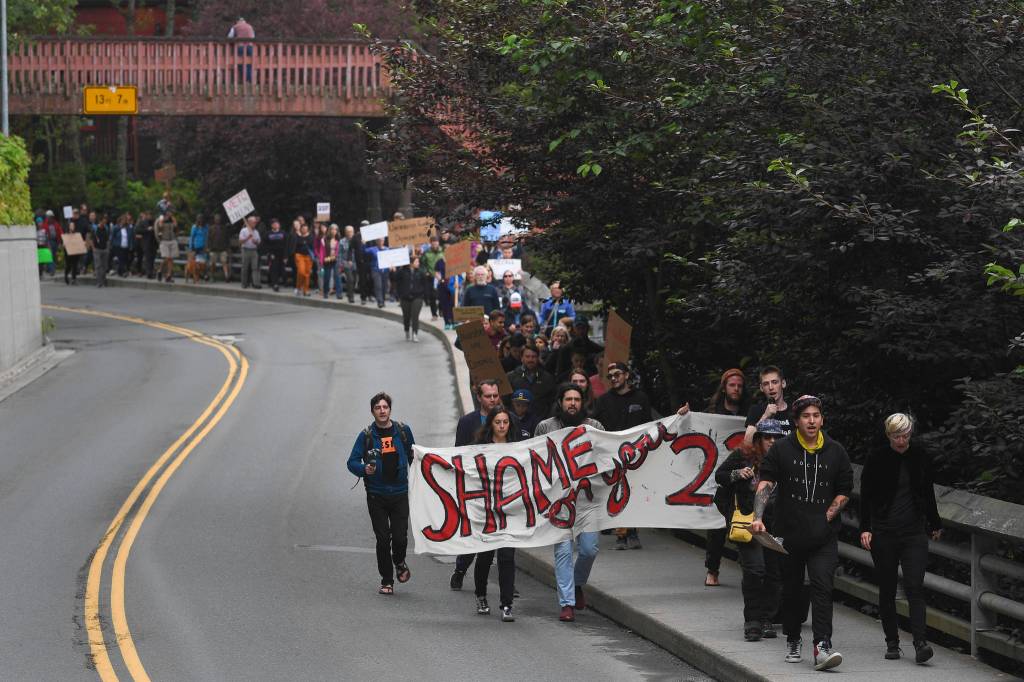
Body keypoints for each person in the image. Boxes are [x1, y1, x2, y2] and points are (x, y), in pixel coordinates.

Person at [752, 395, 853, 671]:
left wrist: (831, 512)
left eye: (816, 416)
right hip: (789, 535)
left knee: (822, 586)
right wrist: (758, 517)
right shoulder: (782, 450)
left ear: (822, 419)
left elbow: (845, 488)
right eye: (806, 416)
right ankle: (793, 638)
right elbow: (766, 483)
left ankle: (822, 646)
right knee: (793, 590)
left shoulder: (836, 451)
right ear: (796, 421)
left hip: (823, 536)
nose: (812, 421)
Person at [859, 413, 941, 664]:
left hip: (913, 531)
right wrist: (865, 527)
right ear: (889, 435)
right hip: (884, 532)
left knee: (915, 586)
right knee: (887, 588)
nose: (901, 440)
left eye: (905, 435)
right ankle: (892, 641)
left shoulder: (920, 456)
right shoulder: (877, 458)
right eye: (896, 436)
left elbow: (927, 491)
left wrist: (934, 522)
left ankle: (920, 642)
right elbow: (866, 495)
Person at [535, 384, 605, 622]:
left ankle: (576, 584)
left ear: (582, 402)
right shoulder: (546, 427)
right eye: (568, 399)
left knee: (589, 550)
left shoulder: (594, 427)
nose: (572, 403)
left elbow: (606, 455)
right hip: (558, 502)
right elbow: (533, 460)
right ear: (560, 402)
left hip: (587, 500)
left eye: (576, 399)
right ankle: (567, 603)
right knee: (563, 551)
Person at [713, 419, 785, 642]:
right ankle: (752, 621)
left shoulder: (786, 460)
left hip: (776, 524)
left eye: (776, 437)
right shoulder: (743, 457)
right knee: (755, 569)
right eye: (767, 437)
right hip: (748, 522)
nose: (772, 441)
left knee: (774, 574)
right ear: (758, 439)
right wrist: (737, 474)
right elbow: (720, 476)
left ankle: (766, 619)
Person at [346, 392, 416, 595]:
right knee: (383, 539)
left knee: (401, 538)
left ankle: (399, 561)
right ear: (372, 411)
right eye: (378, 408)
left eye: (385, 407)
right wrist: (363, 469)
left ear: (390, 410)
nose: (382, 411)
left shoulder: (403, 431)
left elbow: (415, 455)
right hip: (376, 495)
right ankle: (387, 580)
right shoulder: (367, 435)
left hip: (400, 493)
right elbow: (351, 462)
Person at [449, 379, 506, 589]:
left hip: (501, 487)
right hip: (474, 487)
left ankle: (506, 579)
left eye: (495, 395)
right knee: (474, 532)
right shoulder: (467, 422)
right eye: (488, 396)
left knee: (502, 533)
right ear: (479, 398)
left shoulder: (506, 420)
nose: (492, 399)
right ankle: (461, 568)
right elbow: (458, 453)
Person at [592, 362, 653, 550]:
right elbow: (596, 427)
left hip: (636, 455)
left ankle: (632, 532)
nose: (613, 378)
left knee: (633, 492)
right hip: (611, 456)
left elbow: (650, 425)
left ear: (626, 375)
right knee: (616, 492)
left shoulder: (640, 398)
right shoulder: (603, 401)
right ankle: (620, 535)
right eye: (610, 376)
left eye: (617, 374)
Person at [471, 405, 521, 621]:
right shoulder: (480, 448)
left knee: (507, 556)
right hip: (486, 510)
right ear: (490, 424)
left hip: (510, 509)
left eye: (505, 422)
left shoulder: (519, 448)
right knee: (485, 556)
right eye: (498, 422)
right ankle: (481, 595)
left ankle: (507, 604)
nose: (502, 426)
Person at [705, 368, 750, 587]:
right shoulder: (713, 412)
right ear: (724, 387)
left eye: (740, 386)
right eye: (732, 385)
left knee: (744, 521)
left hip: (743, 476)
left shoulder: (750, 413)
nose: (736, 389)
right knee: (717, 527)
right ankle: (712, 569)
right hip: (720, 475)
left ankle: (749, 570)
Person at [507, 341, 557, 418]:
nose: (530, 359)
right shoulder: (511, 377)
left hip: (541, 421)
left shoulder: (548, 378)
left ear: (538, 358)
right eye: (527, 356)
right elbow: (506, 401)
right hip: (516, 421)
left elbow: (552, 401)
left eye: (533, 357)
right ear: (522, 358)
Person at [744, 366, 792, 446]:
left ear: (783, 383)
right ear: (761, 388)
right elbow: (746, 442)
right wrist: (765, 417)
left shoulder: (794, 411)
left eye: (774, 382)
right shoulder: (756, 410)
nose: (771, 387)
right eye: (766, 384)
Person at [397, 253, 429, 341]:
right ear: (411, 263)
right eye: (416, 262)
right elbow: (396, 281)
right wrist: (392, 270)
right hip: (405, 297)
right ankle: (406, 330)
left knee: (415, 315)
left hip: (417, 297)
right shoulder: (402, 271)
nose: (418, 263)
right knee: (406, 316)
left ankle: (415, 333)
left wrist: (424, 296)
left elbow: (425, 284)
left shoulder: (421, 272)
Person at [421, 235, 445, 319]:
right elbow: (422, 264)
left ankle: (441, 310)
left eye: (436, 242)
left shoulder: (443, 251)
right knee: (432, 296)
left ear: (438, 243)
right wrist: (426, 272)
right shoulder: (426, 252)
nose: (435, 244)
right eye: (433, 243)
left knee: (442, 294)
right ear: (430, 243)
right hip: (431, 277)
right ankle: (434, 314)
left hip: (442, 277)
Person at [239, 215, 262, 289]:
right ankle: (244, 283)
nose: (255, 224)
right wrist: (247, 238)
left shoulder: (256, 231)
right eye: (253, 222)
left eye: (255, 222)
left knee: (255, 267)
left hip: (254, 250)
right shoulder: (244, 230)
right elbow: (240, 241)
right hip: (245, 250)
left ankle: (256, 283)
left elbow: (258, 242)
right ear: (249, 222)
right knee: (245, 267)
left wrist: (255, 242)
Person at [206, 213, 231, 282]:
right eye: (216, 219)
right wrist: (208, 247)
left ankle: (226, 276)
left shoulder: (224, 228)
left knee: (224, 262)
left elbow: (227, 239)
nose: (218, 220)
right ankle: (212, 276)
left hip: (222, 248)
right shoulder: (211, 228)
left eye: (219, 219)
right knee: (212, 264)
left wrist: (228, 248)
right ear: (214, 220)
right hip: (213, 249)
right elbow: (208, 239)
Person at [264, 219, 287, 291]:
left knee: (282, 270)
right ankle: (275, 284)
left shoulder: (283, 233)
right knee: (274, 270)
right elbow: (265, 245)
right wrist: (270, 254)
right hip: (273, 255)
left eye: (277, 224)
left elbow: (286, 245)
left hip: (282, 254)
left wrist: (285, 256)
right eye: (274, 224)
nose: (276, 225)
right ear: (271, 225)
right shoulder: (268, 234)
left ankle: (282, 282)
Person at [89, 214, 111, 288]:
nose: (104, 224)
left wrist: (108, 248)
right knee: (98, 266)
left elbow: (108, 239)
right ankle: (99, 282)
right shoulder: (95, 229)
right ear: (100, 221)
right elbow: (91, 239)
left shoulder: (106, 228)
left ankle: (104, 279)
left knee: (104, 266)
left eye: (105, 222)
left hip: (104, 249)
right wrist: (93, 248)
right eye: (103, 222)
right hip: (97, 249)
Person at [292, 222, 314, 296]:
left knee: (307, 274)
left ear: (308, 229)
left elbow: (312, 246)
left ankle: (306, 290)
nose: (304, 230)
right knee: (301, 272)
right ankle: (298, 288)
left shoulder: (311, 236)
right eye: (303, 229)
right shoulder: (297, 236)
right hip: (299, 255)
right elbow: (295, 245)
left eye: (306, 229)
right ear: (301, 229)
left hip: (308, 256)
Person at [339, 225, 358, 303]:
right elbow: (339, 253)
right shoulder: (342, 241)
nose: (350, 233)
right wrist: (342, 263)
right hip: (346, 263)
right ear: (345, 232)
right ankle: (351, 297)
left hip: (355, 263)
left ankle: (349, 292)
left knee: (354, 280)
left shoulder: (357, 240)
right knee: (350, 279)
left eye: (351, 232)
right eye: (348, 232)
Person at [188, 214, 209, 284]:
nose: (200, 220)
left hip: (203, 246)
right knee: (195, 263)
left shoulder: (206, 227)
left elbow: (207, 237)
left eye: (201, 218)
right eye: (199, 219)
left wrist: (206, 246)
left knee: (203, 262)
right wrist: (191, 247)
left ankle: (204, 275)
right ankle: (195, 276)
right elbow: (192, 237)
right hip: (195, 246)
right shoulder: (194, 227)